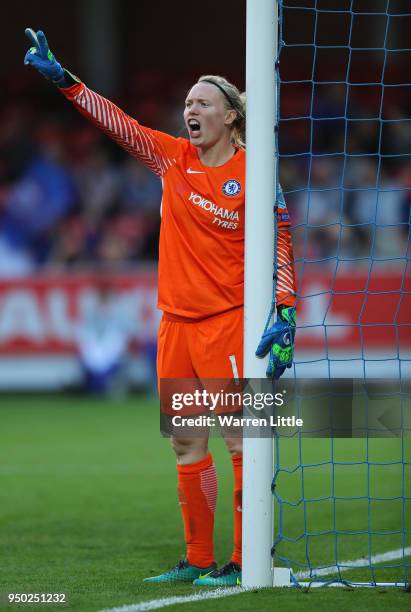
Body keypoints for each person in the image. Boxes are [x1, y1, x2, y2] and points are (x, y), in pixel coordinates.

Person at [24, 29, 296, 586]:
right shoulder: (172, 157)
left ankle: (245, 563)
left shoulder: (256, 173)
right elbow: (118, 124)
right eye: (188, 103)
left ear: (230, 116)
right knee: (185, 441)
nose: (190, 110)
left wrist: (286, 311)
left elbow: (282, 244)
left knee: (241, 439)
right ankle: (198, 559)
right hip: (175, 323)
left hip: (228, 324)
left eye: (202, 104)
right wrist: (65, 81)